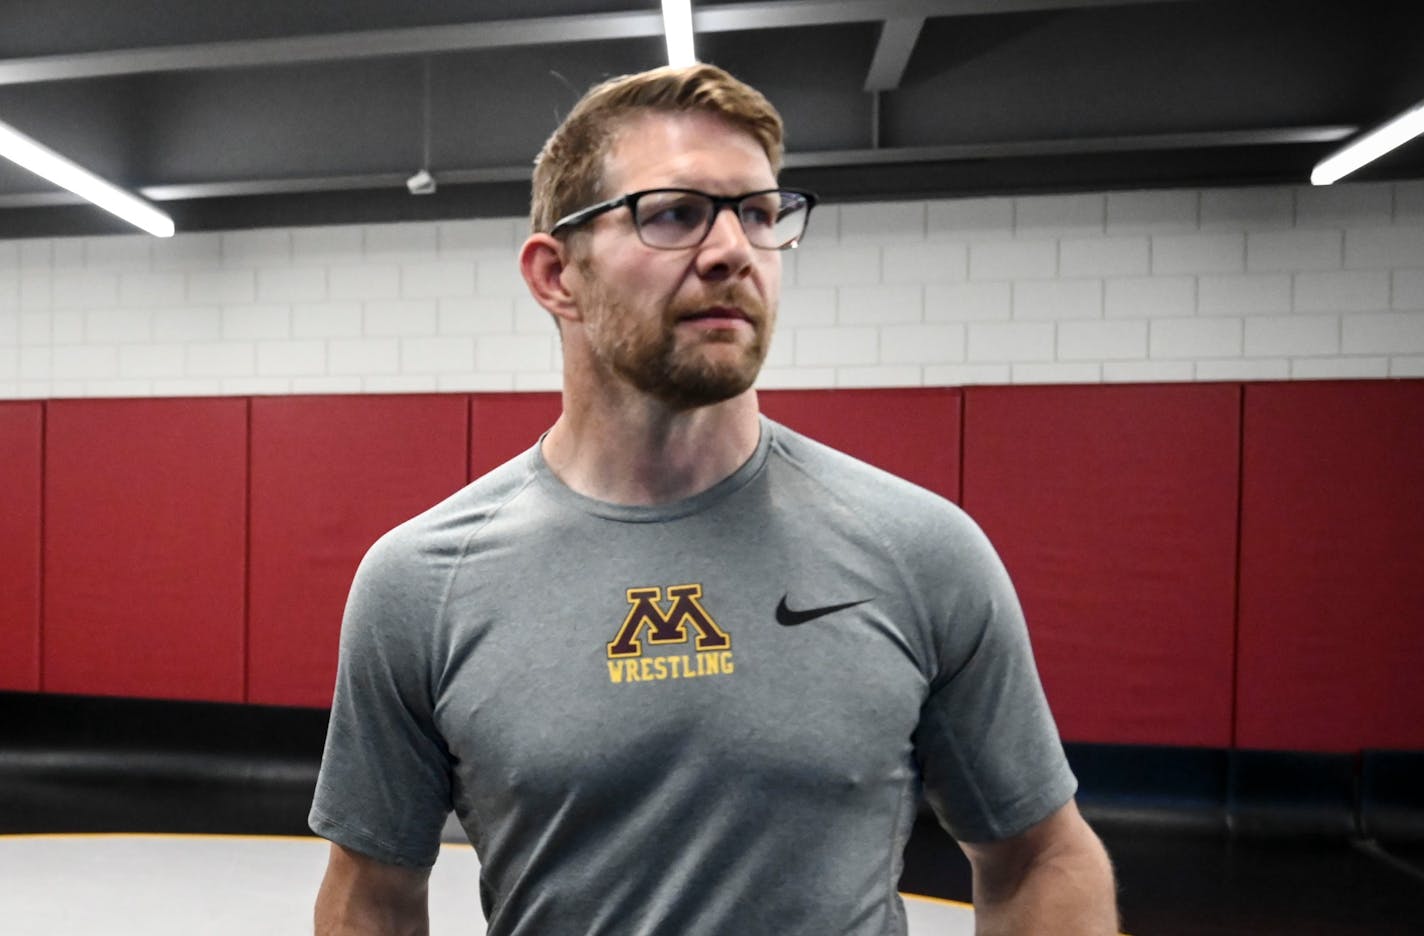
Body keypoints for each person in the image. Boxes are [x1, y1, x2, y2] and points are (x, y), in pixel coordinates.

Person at [310, 63, 1117, 935]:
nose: (734, 249)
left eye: (761, 214)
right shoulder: (421, 583)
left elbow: (1042, 855)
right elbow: (373, 898)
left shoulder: (919, 551)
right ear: (556, 276)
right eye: (674, 214)